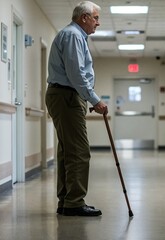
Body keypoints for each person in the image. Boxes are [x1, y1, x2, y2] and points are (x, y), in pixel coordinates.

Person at [45, 1, 107, 217]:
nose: (98, 23)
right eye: (96, 18)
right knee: (79, 151)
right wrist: (95, 100)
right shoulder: (73, 35)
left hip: (67, 96)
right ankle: (74, 202)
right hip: (66, 95)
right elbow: (76, 73)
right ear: (84, 18)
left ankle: (66, 200)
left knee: (67, 151)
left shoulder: (76, 36)